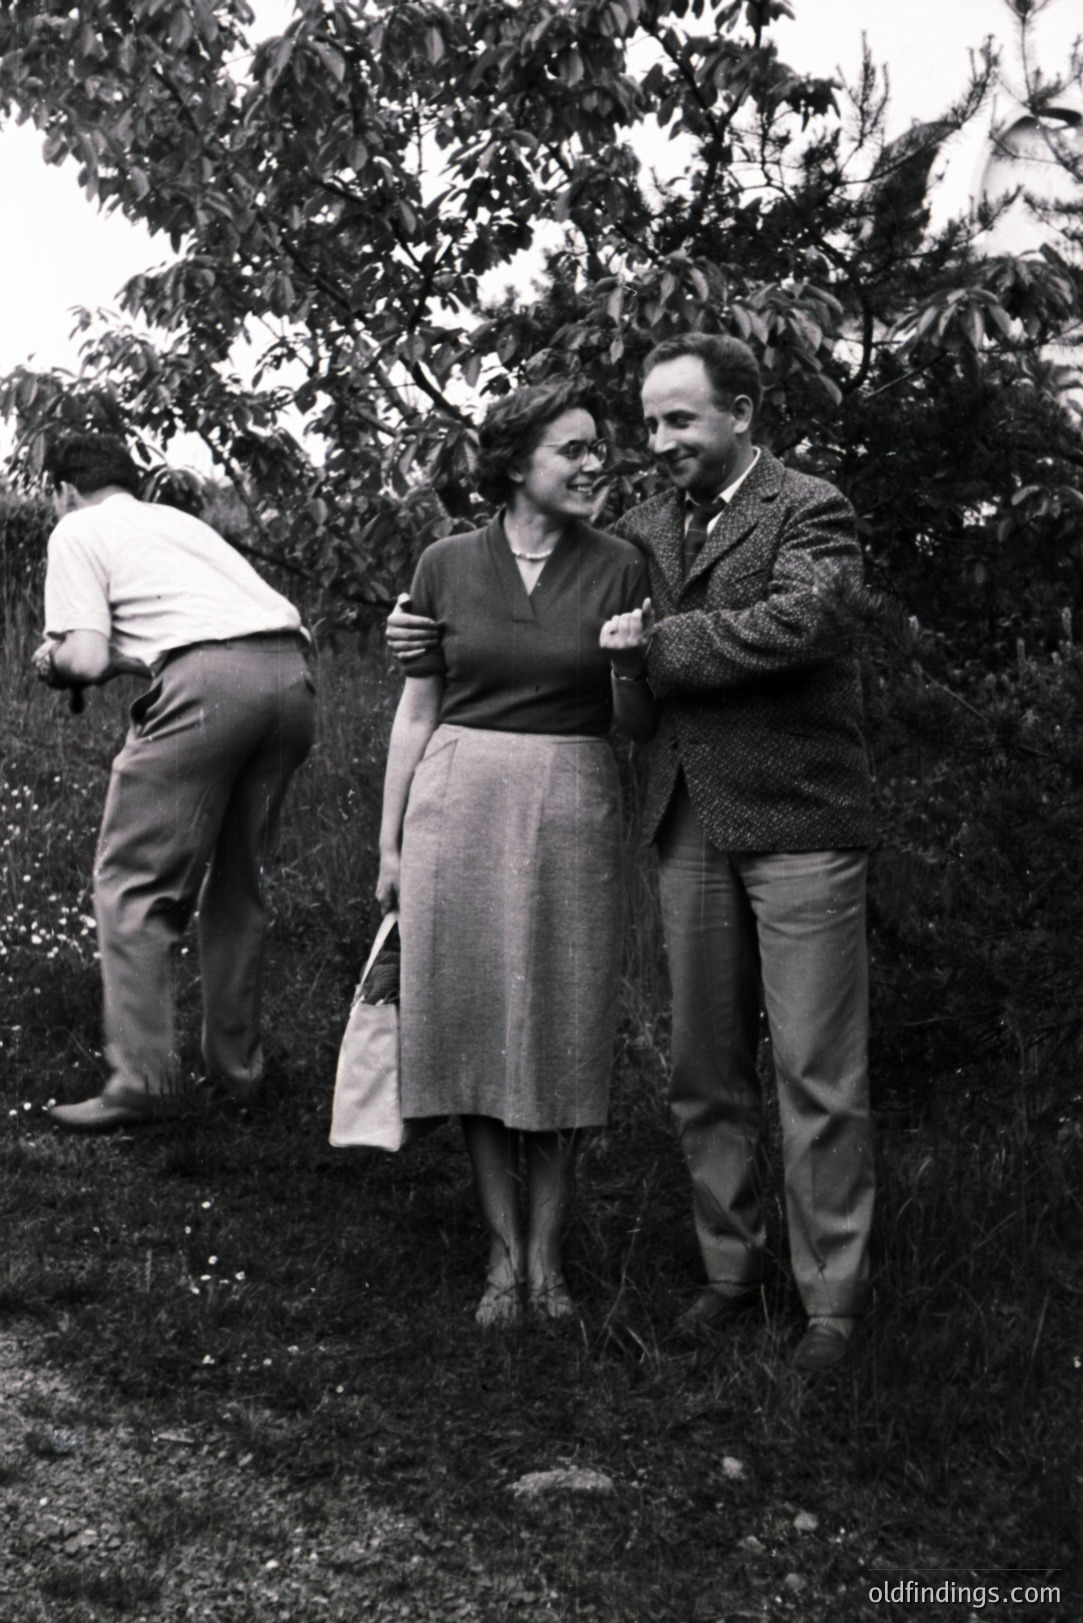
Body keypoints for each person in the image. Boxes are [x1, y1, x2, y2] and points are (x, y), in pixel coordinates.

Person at [388, 335, 875, 1372]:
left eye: (678, 421)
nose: (655, 445)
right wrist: (414, 633)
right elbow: (532, 598)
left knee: (816, 1071)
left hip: (798, 818)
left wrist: (654, 646)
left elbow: (807, 621)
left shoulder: (809, 506)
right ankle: (728, 1275)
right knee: (703, 1068)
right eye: (648, 424)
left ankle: (830, 1304)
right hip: (683, 817)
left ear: (740, 412)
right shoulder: (642, 531)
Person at [375, 377, 654, 1328]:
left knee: (564, 1026)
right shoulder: (446, 562)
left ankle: (548, 1256)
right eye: (571, 449)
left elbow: (635, 723)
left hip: (574, 799)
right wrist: (389, 844)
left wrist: (625, 663)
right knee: (471, 1024)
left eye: (596, 448)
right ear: (514, 464)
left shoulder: (622, 563)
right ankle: (499, 1256)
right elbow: (416, 707)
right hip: (455, 801)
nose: (592, 463)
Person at [33, 432, 317, 1131]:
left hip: (209, 687)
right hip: (292, 677)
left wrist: (55, 662)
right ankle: (237, 1069)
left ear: (60, 489)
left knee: (132, 881)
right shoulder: (178, 525)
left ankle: (142, 1080)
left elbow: (88, 652)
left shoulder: (77, 528)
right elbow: (193, 632)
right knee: (237, 881)